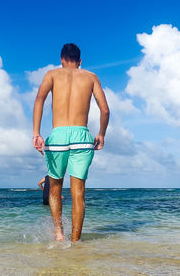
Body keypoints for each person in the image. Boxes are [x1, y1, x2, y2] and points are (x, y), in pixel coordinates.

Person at [32, 43, 110, 243]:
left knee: (55, 188)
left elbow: (39, 99)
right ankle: (76, 241)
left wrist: (36, 133)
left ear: (61, 59)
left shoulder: (51, 75)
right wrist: (101, 133)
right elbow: (105, 110)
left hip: (57, 137)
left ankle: (59, 233)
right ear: (80, 61)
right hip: (82, 138)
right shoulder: (91, 77)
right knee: (78, 194)